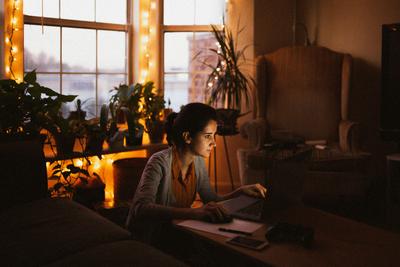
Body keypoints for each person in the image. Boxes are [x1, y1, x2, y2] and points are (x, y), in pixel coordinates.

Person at [125, 103, 267, 243]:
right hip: (148, 238)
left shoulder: (198, 163)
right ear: (187, 137)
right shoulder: (158, 162)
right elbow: (141, 208)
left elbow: (211, 199)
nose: (214, 143)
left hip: (173, 234)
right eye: (207, 136)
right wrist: (194, 212)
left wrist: (240, 192)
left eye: (214, 135)